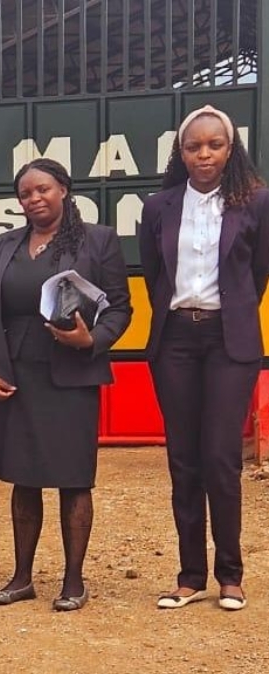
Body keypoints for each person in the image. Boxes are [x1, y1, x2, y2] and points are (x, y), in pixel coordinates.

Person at [0, 158, 132, 612]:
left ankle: (73, 581)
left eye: (43, 189)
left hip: (71, 373)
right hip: (16, 374)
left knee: (72, 479)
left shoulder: (96, 240)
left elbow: (120, 308)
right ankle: (22, 577)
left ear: (63, 189)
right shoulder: (4, 245)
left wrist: (92, 340)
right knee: (23, 479)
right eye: (25, 194)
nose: (34, 199)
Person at [139, 105, 269, 612]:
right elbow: (154, 275)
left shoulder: (255, 201)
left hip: (228, 341)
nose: (204, 154)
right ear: (181, 152)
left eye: (214, 144)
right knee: (183, 460)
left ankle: (230, 576)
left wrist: (229, 312)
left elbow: (257, 274)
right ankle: (189, 575)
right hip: (174, 340)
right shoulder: (159, 206)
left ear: (230, 148)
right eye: (194, 146)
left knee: (220, 458)